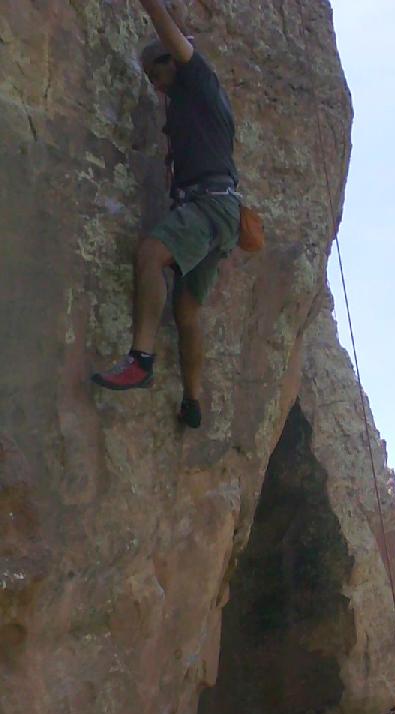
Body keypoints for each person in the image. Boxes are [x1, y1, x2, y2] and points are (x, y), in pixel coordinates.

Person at [91, 0, 241, 429]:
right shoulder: (191, 101)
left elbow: (166, 27)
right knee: (187, 310)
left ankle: (140, 360)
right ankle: (192, 401)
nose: (156, 87)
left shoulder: (197, 79)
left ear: (170, 63)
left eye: (156, 76)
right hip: (220, 210)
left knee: (151, 254)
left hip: (208, 204)